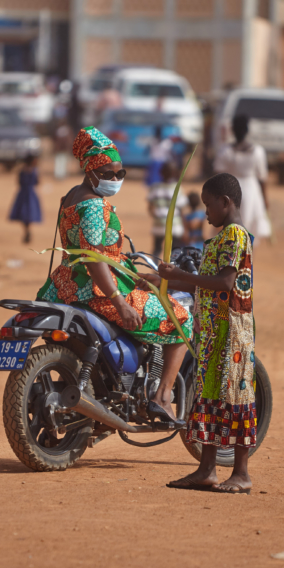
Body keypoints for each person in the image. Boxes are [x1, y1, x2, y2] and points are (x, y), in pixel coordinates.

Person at [37, 127, 192, 425]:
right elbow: (95, 262)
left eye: (120, 174)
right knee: (181, 319)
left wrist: (134, 275)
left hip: (66, 285)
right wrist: (120, 301)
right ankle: (161, 397)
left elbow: (94, 255)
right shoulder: (94, 205)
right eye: (110, 173)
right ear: (92, 171)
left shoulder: (71, 196)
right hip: (96, 290)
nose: (116, 180)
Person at [159, 173, 257, 493]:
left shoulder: (235, 236)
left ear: (225, 202)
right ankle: (206, 470)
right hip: (214, 333)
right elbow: (202, 284)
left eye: (208, 205)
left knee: (236, 397)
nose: (205, 213)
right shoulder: (219, 239)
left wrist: (180, 274)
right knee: (210, 397)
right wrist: (163, 279)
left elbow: (226, 283)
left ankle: (241, 474)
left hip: (232, 333)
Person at [213, 114, 271, 241]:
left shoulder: (225, 151)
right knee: (248, 225)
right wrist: (265, 198)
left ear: (233, 130)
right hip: (252, 190)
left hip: (229, 190)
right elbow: (262, 178)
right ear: (247, 131)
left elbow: (217, 175)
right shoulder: (258, 152)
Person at [147, 161, 189, 257]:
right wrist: (186, 229)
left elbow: (150, 207)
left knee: (157, 249)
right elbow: (182, 210)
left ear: (161, 172)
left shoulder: (155, 187)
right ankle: (171, 269)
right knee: (174, 250)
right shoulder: (177, 188)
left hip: (159, 224)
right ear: (174, 173)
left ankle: (155, 268)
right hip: (175, 226)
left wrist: (157, 215)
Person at [9, 154, 42, 243]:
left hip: (23, 193)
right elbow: (37, 182)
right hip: (31, 194)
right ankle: (28, 230)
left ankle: (26, 230)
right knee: (29, 213)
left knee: (23, 213)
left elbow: (19, 182)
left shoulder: (22, 170)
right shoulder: (34, 171)